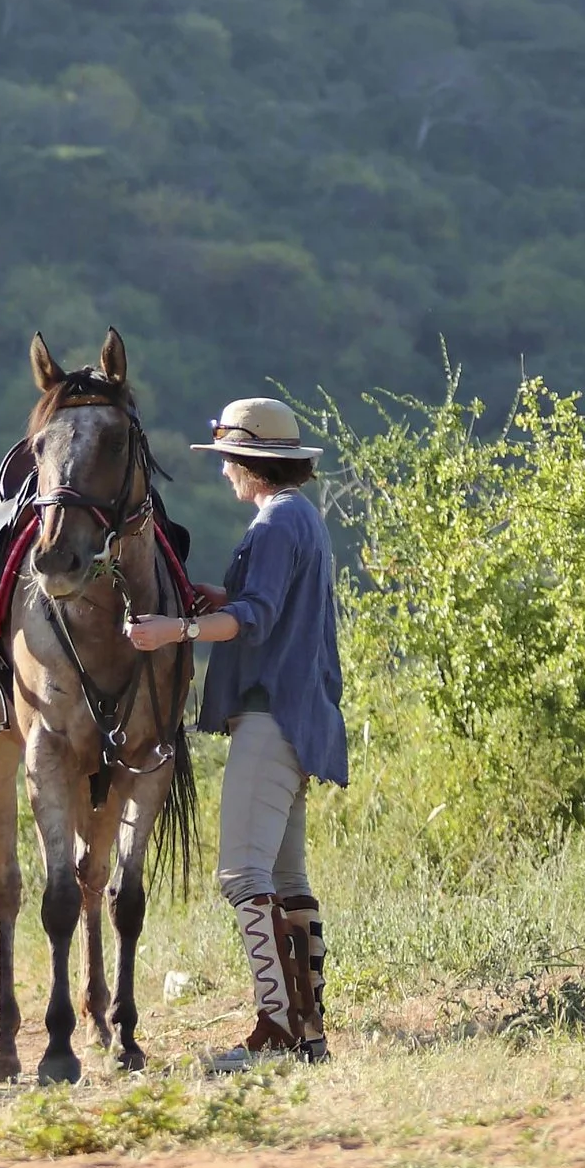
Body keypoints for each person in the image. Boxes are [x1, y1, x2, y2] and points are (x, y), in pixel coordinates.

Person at [128, 393, 346, 1064]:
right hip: (301, 713)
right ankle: (308, 1035)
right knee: (287, 875)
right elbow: (267, 609)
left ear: (251, 461)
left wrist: (178, 628)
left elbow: (255, 618)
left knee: (241, 873)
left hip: (270, 712)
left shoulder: (276, 524)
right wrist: (218, 601)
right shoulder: (298, 517)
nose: (225, 470)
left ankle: (276, 1031)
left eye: (228, 458)